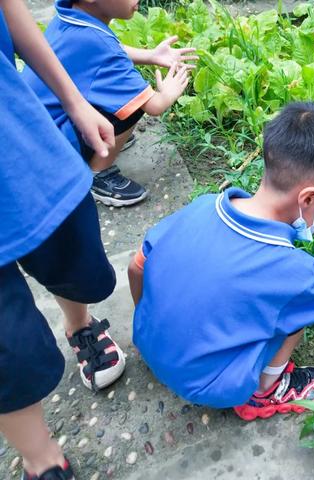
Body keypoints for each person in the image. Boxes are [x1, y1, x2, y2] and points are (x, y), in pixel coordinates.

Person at [128, 102, 314, 421]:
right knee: (298, 309)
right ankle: (264, 391)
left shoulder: (204, 206)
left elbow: (137, 266)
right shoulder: (296, 274)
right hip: (209, 385)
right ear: (309, 199)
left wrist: (152, 322)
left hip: (146, 340)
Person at [0, 0, 129, 477]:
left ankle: (81, 325)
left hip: (13, 133)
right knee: (3, 339)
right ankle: (41, 460)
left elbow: (10, 13)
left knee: (70, 249)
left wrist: (75, 101)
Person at [22, 0, 197, 207]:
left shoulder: (69, 17)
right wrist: (168, 93)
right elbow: (154, 106)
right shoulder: (100, 46)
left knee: (121, 96)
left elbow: (105, 45)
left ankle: (97, 145)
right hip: (52, 154)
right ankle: (98, 173)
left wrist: (151, 55)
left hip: (32, 136)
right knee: (132, 105)